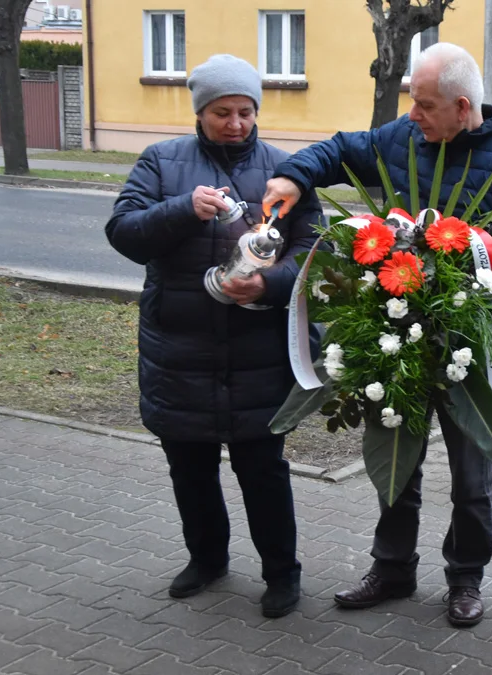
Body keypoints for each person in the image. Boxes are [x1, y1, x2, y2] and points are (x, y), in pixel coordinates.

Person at [262, 42, 492, 627]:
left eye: (423, 105)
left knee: (472, 478)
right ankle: (392, 568)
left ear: (462, 106)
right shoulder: (404, 137)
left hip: (466, 345)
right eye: (411, 104)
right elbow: (341, 149)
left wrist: (461, 294)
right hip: (394, 334)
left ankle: (465, 577)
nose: (412, 115)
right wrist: (293, 178)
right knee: (395, 458)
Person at [105, 54, 324, 618]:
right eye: (222, 112)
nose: (235, 124)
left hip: (258, 355)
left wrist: (271, 285)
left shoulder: (284, 169)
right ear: (200, 111)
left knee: (264, 471)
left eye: (246, 112)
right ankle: (207, 560)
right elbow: (125, 234)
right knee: (191, 470)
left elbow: (315, 249)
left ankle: (282, 573)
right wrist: (183, 208)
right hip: (181, 352)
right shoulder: (161, 161)